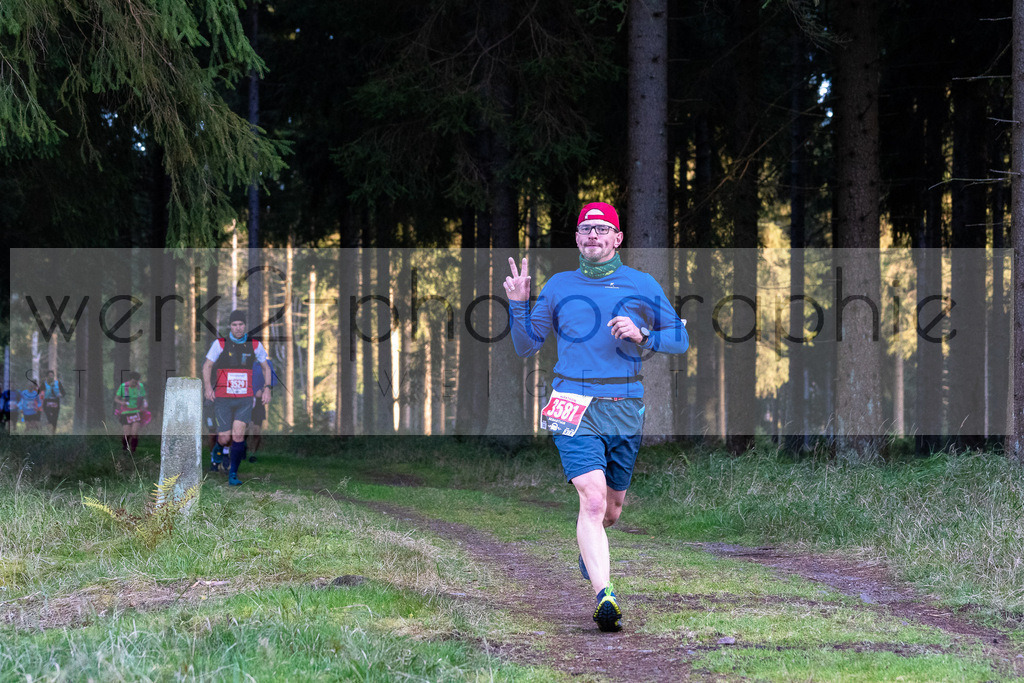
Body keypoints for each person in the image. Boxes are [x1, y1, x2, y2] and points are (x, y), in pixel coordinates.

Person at [503, 201, 689, 632]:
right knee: (591, 498)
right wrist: (517, 303)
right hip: (572, 401)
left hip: (624, 407)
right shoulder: (558, 286)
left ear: (617, 238)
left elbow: (679, 338)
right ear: (577, 239)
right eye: (585, 229)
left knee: (611, 510)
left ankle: (591, 549)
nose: (592, 236)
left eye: (601, 229)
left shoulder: (641, 284)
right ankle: (605, 595)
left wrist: (644, 334)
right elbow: (526, 345)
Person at [202, 310, 271, 486]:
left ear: (245, 325)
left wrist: (267, 388)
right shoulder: (220, 344)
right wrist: (208, 388)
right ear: (230, 326)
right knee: (225, 438)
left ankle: (233, 474)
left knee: (238, 436)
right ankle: (219, 447)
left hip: (244, 399)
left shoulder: (254, 344)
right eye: (234, 325)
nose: (238, 328)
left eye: (241, 324)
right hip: (223, 398)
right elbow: (207, 366)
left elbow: (266, 368)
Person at [115, 371, 147, 454]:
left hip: (136, 412)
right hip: (125, 413)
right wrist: (122, 403)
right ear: (130, 380)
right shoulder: (123, 386)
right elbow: (116, 398)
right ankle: (125, 449)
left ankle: (133, 451)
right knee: (127, 433)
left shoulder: (140, 386)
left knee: (134, 433)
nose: (134, 384)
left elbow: (143, 398)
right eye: (133, 382)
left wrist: (144, 404)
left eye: (136, 382)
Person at [41, 370, 66, 434]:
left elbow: (64, 393)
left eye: (52, 375)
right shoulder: (44, 383)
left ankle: (53, 434)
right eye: (49, 376)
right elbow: (39, 391)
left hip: (56, 402)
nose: (51, 377)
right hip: (47, 403)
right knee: (50, 418)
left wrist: (61, 395)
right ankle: (48, 430)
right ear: (47, 377)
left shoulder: (58, 383)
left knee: (54, 420)